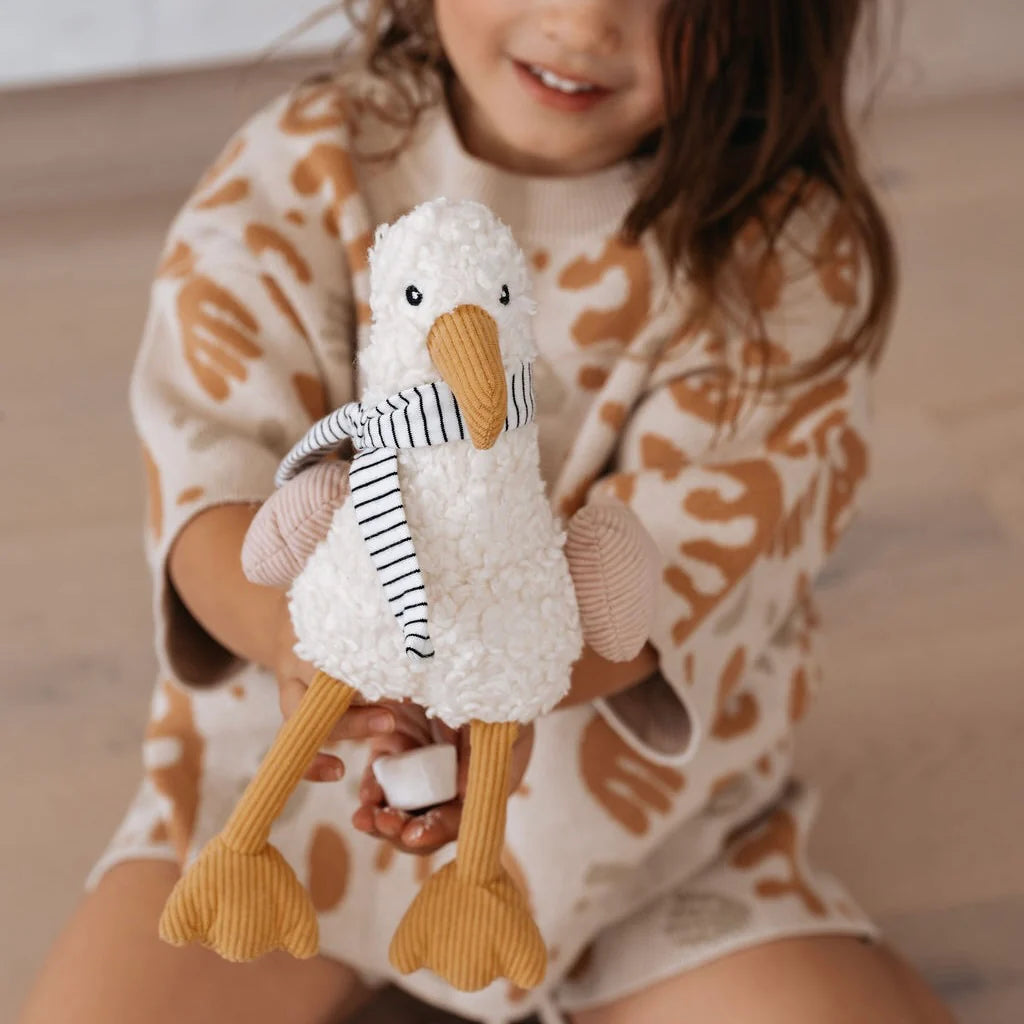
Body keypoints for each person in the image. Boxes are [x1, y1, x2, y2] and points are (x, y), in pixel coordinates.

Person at [20, 2, 957, 1022]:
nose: (584, 23)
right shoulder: (298, 167)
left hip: (645, 859)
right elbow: (211, 489)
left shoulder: (781, 259)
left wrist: (495, 691)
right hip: (275, 796)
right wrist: (299, 645)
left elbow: (686, 577)